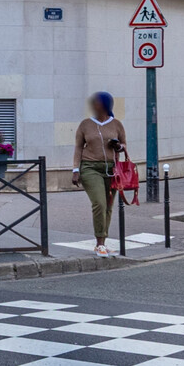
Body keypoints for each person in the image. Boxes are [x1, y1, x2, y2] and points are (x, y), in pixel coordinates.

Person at [69, 92, 129, 258]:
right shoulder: (85, 124)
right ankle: (100, 243)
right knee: (99, 204)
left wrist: (118, 146)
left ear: (105, 105)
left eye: (97, 103)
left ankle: (102, 242)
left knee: (109, 206)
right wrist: (76, 170)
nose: (94, 106)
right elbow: (78, 147)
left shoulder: (116, 124)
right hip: (90, 167)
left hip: (112, 169)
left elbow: (124, 144)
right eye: (93, 103)